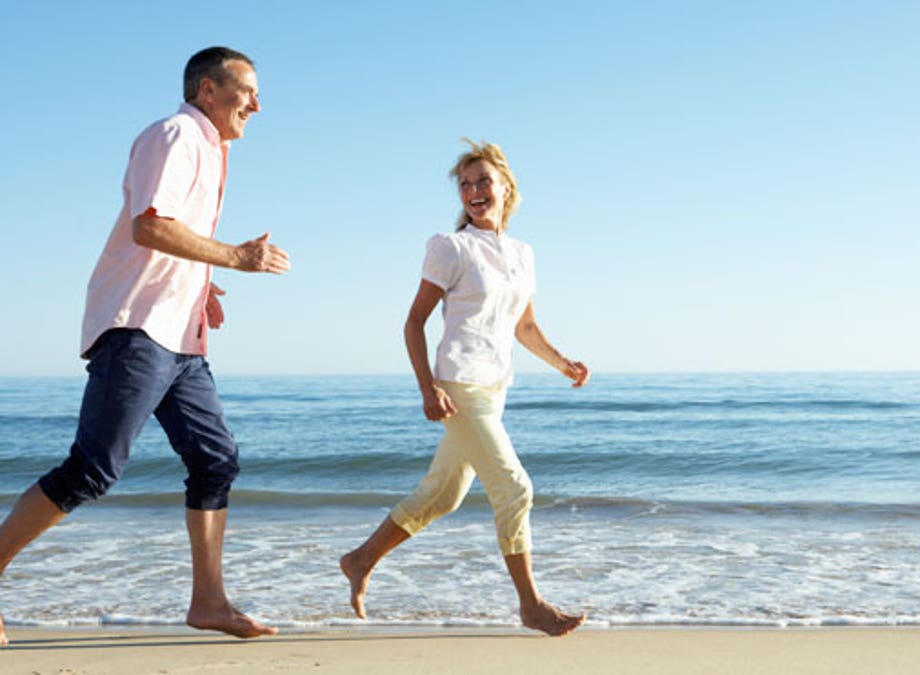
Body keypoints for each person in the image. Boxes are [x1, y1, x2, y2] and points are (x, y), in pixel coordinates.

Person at [0, 46, 289, 646]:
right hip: (137, 328)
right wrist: (236, 255)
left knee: (215, 460)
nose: (257, 105)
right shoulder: (176, 134)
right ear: (208, 91)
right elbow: (149, 225)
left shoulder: (213, 150)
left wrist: (204, 285)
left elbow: (171, 237)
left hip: (181, 335)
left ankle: (209, 602)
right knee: (93, 469)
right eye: (247, 91)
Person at [340, 140, 588, 636]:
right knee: (515, 488)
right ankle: (531, 605)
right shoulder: (450, 246)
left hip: (495, 385)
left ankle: (361, 558)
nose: (474, 191)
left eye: (483, 182)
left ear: (506, 188)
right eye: (466, 184)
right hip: (459, 380)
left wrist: (563, 363)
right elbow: (413, 322)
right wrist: (427, 387)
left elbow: (525, 326)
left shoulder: (522, 253)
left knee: (444, 494)